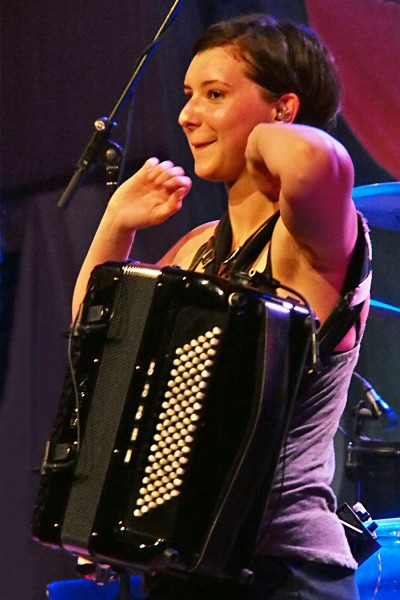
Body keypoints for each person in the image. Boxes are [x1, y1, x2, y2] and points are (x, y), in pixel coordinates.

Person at [72, 14, 371, 600]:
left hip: (284, 573)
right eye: (187, 95)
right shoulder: (200, 245)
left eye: (214, 95)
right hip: (186, 569)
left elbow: (318, 163)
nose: (188, 115)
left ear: (284, 108)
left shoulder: (317, 234)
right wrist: (116, 225)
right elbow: (96, 338)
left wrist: (263, 134)